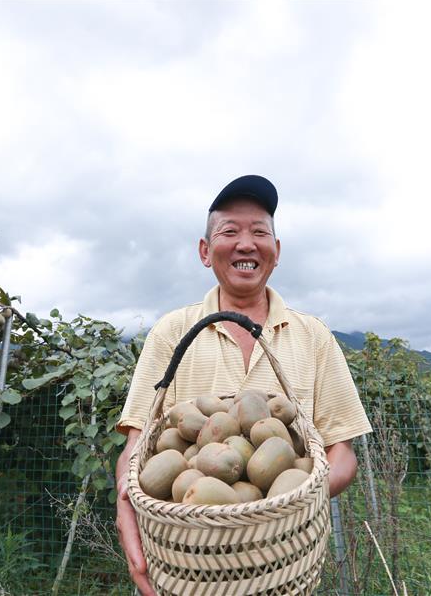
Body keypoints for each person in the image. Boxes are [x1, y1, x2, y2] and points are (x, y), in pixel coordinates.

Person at [114, 175, 372, 596]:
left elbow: (341, 451)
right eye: (229, 231)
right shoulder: (171, 332)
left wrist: (292, 503)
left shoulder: (314, 336)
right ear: (204, 251)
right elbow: (137, 449)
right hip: (189, 569)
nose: (246, 243)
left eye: (259, 232)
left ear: (277, 251)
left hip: (284, 567)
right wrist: (125, 510)